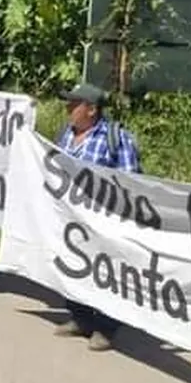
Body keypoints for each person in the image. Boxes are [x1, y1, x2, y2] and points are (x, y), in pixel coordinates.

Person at [52, 82, 142, 352]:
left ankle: (106, 326)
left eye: (74, 104)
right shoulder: (66, 134)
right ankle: (80, 317)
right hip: (71, 217)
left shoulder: (116, 138)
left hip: (103, 220)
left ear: (91, 109)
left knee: (105, 272)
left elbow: (131, 181)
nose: (68, 108)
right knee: (72, 265)